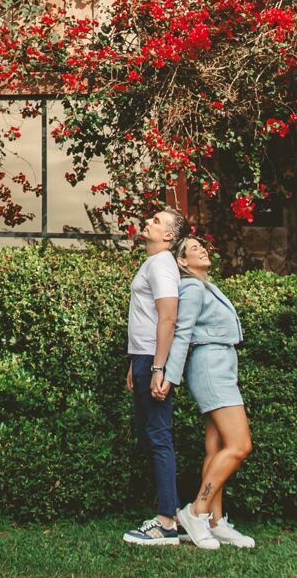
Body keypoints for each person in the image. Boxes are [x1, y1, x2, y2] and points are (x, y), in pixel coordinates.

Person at [163, 234, 256, 550]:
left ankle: (215, 522)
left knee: (216, 447)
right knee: (240, 445)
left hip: (221, 364)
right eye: (193, 248)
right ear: (182, 261)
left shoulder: (205, 286)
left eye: (202, 246)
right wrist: (169, 376)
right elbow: (182, 333)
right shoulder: (191, 287)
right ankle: (196, 511)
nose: (202, 249)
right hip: (211, 367)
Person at [121, 207, 186, 546]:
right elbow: (147, 318)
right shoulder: (153, 263)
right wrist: (136, 362)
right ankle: (172, 513)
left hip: (153, 360)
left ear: (169, 237)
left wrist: (158, 368)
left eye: (157, 221)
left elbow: (168, 317)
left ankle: (166, 522)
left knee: (159, 437)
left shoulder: (161, 264)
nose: (148, 221)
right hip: (145, 358)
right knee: (151, 437)